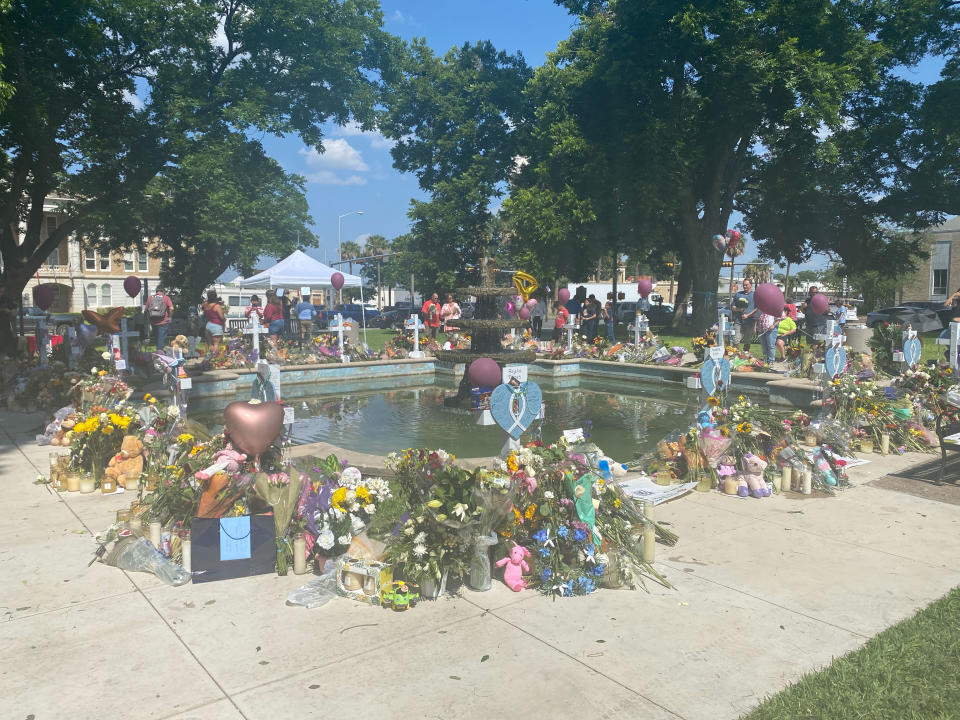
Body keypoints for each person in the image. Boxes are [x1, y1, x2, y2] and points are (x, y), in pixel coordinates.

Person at [147, 286, 174, 351]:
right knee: (161, 339)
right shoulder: (166, 298)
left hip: (153, 322)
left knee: (157, 338)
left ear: (156, 291)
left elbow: (147, 310)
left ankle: (159, 352)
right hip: (163, 322)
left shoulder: (150, 298)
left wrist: (149, 320)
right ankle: (159, 354)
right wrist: (170, 317)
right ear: (163, 291)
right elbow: (171, 308)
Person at [734, 279, 756, 352]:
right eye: (743, 285)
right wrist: (739, 309)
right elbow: (733, 307)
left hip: (750, 321)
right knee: (736, 339)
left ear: (751, 285)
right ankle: (734, 355)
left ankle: (745, 355)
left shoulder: (755, 295)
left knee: (747, 340)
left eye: (746, 285)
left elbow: (757, 308)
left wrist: (748, 315)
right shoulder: (738, 294)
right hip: (738, 321)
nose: (744, 286)